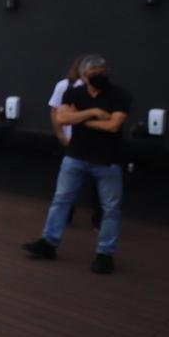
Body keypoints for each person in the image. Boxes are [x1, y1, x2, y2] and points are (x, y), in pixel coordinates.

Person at [22, 54, 131, 275]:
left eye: (101, 72)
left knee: (110, 209)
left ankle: (105, 254)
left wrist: (79, 118)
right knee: (61, 200)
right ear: (84, 75)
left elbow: (113, 125)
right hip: (75, 157)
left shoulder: (119, 95)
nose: (98, 76)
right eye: (93, 73)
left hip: (107, 161)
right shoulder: (73, 92)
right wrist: (92, 113)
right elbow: (61, 119)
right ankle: (49, 243)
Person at [48, 55, 102, 229]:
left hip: (94, 143)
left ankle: (98, 219)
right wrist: (60, 135)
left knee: (97, 183)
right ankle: (65, 216)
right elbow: (54, 112)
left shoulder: (99, 89)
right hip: (71, 142)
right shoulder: (64, 86)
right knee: (66, 185)